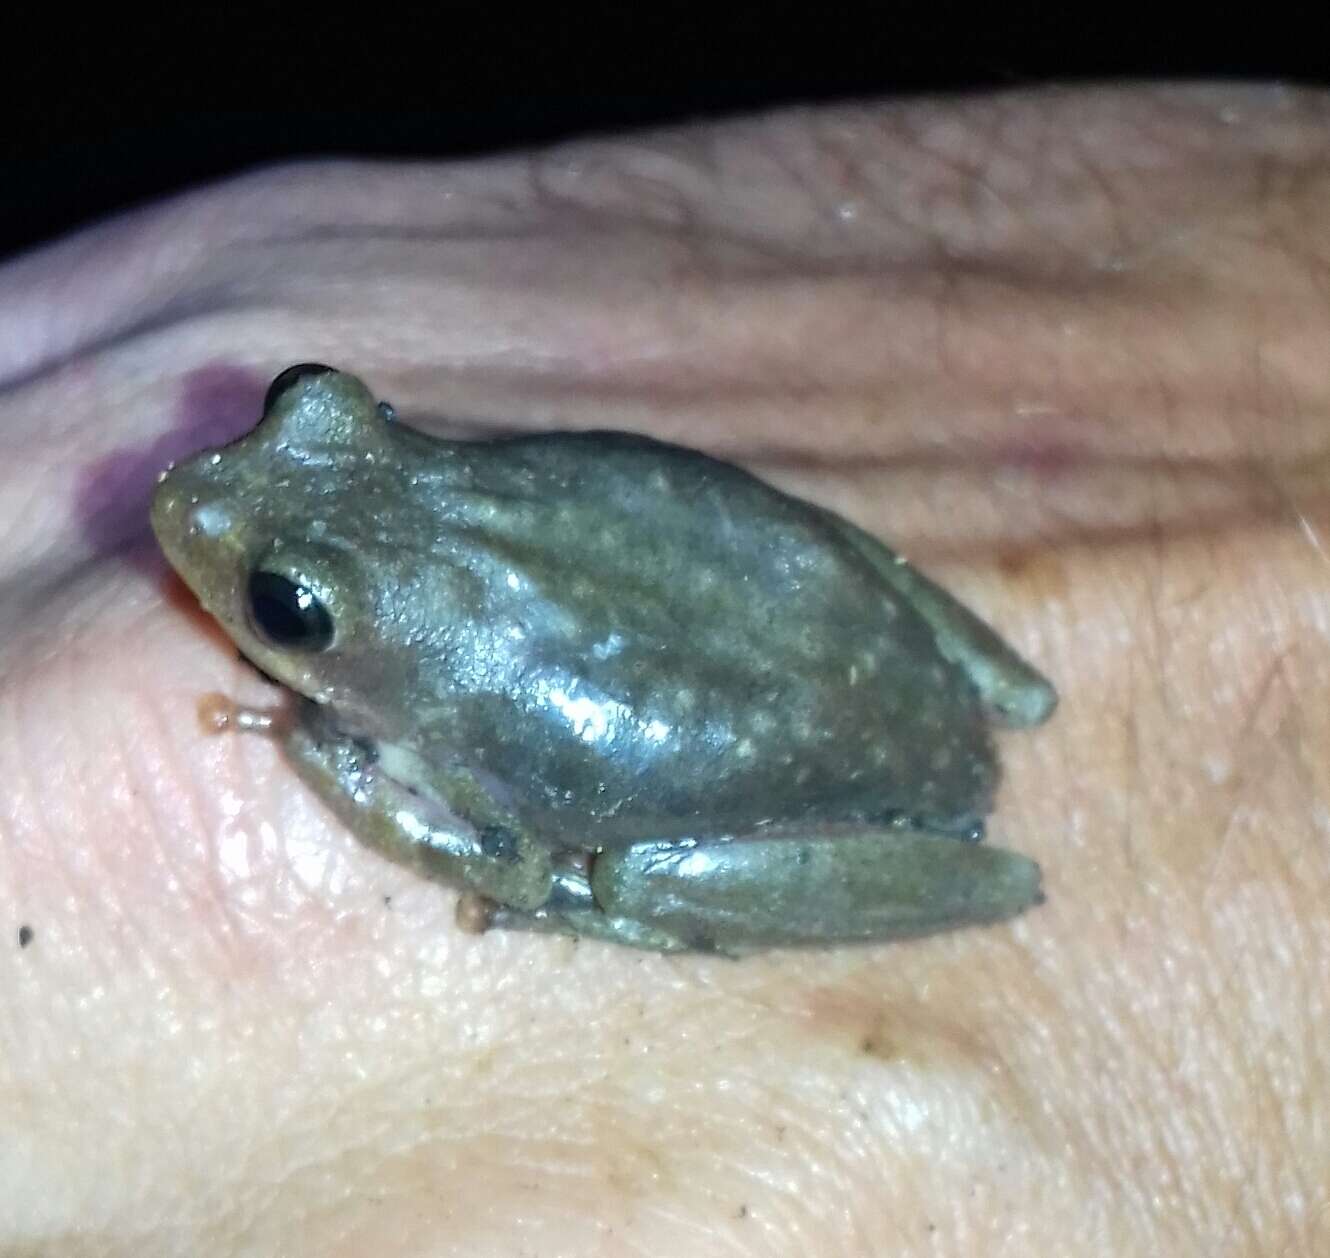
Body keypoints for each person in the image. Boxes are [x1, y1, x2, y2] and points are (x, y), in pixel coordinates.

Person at [1, 84, 1325, 1255]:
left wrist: (330, 760)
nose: (198, 494)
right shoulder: (454, 532)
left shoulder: (439, 698)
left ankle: (639, 895)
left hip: (833, 785)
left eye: (288, 608)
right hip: (828, 635)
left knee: (612, 868)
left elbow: (511, 857)